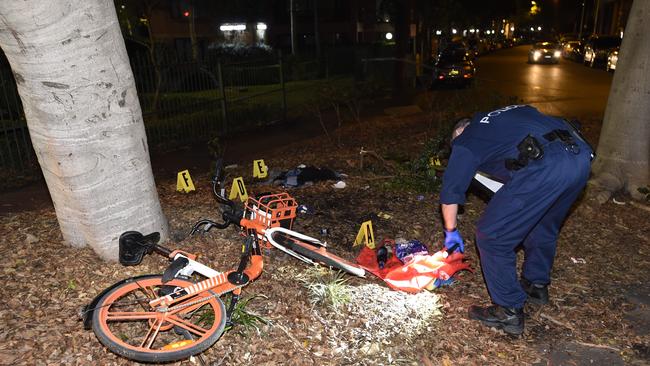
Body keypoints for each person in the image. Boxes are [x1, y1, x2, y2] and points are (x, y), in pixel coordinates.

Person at [439, 105, 593, 335]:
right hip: (580, 156)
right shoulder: (502, 119)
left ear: (459, 132)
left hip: (546, 165)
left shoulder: (466, 140)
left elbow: (451, 193)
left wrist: (451, 232)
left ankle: (508, 310)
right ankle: (535, 286)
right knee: (542, 223)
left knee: (492, 236)